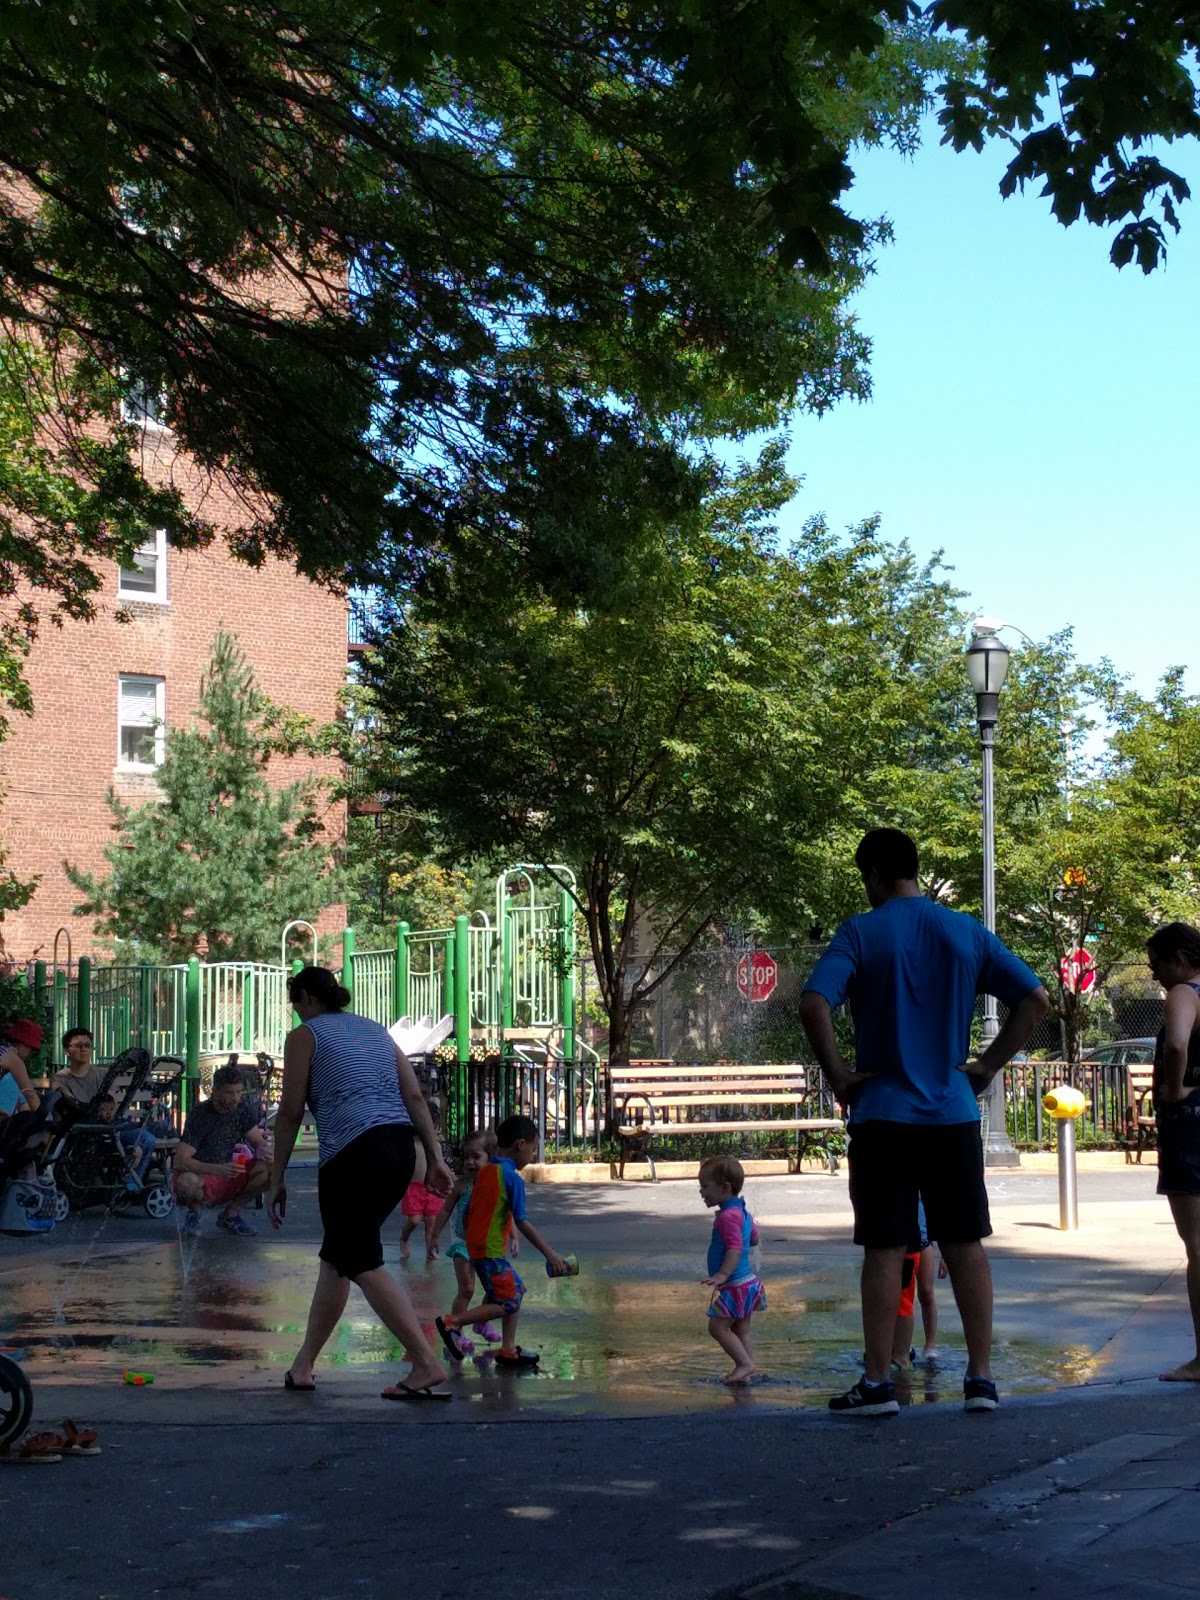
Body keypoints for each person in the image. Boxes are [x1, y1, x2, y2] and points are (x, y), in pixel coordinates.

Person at [799, 827, 1049, 1417]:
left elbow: (814, 1004)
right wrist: (985, 1067)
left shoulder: (860, 932)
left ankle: (879, 1382)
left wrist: (839, 1077)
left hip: (884, 1115)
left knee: (885, 1248)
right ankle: (981, 1379)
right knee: (966, 1245)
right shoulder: (964, 930)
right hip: (953, 1115)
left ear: (875, 875)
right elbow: (1034, 1000)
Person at [266, 966, 455, 1402]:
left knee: (362, 1260)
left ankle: (424, 1361)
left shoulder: (305, 1036)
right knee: (340, 1257)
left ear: (307, 998)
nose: (295, 1013)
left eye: (295, 1003)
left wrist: (275, 1178)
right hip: (397, 1148)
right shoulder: (374, 1030)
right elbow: (412, 1098)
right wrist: (436, 1158)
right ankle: (304, 1364)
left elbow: (291, 1111)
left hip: (353, 1154)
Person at [433, 1112, 571, 1370]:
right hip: (491, 1252)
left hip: (480, 1249)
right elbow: (522, 1221)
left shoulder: (487, 1171)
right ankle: (454, 1322)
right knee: (507, 1302)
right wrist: (550, 1254)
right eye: (532, 1150)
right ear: (520, 1144)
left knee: (516, 1291)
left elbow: (470, 1210)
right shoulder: (511, 1178)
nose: (531, 1157)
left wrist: (472, 1244)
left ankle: (508, 1349)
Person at [1145, 922, 1200, 1382]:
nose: (1156, 975)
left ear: (1181, 958)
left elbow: (1178, 1042)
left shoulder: (1185, 992)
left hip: (1190, 1126)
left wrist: (1177, 1089)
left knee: (1197, 1247)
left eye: (1158, 964)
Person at [173, 1064, 271, 1236]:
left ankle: (230, 1214)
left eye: (239, 1092)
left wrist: (265, 1150)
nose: (236, 1098)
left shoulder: (241, 1110)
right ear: (215, 1091)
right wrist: (218, 1169)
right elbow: (180, 1160)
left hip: (228, 1175)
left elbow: (258, 1141)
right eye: (229, 1093)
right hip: (203, 1176)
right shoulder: (200, 1115)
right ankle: (194, 1213)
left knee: (273, 1168)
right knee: (186, 1182)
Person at [428, 1129, 506, 1346]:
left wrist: (513, 1236)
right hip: (462, 1245)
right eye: (466, 1157)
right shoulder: (461, 1185)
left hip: (486, 1244)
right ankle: (456, 1331)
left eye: (476, 1156)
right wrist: (434, 1236)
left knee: (494, 1288)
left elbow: (505, 1210)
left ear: (491, 1157)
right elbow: (444, 1211)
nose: (470, 1162)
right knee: (467, 1289)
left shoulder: (494, 1183)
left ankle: (481, 1322)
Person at [698, 1155, 766, 1386]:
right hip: (748, 1283)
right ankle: (747, 1370)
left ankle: (744, 1365)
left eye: (705, 1186)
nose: (701, 1192)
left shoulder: (728, 1216)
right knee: (740, 1329)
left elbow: (735, 1248)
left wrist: (722, 1275)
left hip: (735, 1285)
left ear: (725, 1187)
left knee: (716, 1327)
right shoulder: (742, 1212)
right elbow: (754, 1239)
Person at [94, 1092, 157, 1189]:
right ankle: (134, 1181)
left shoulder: (119, 1120)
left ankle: (134, 1181)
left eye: (111, 1109)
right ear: (98, 1111)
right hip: (115, 1135)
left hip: (121, 1135)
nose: (108, 1112)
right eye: (104, 1109)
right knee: (148, 1140)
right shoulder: (100, 1125)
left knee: (147, 1142)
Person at [51, 1029, 106, 1114]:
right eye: (78, 1045)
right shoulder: (60, 1078)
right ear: (67, 1051)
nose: (83, 1049)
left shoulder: (102, 1074)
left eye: (87, 1045)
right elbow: (72, 1108)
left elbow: (111, 1101)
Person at [0, 1020, 42, 1122]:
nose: (30, 1053)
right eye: (31, 1049)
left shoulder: (2, 1051)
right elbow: (30, 1096)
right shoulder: (12, 1058)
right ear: (22, 1044)